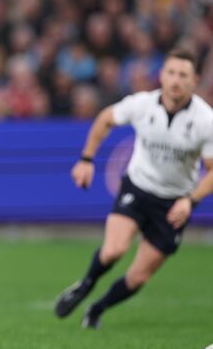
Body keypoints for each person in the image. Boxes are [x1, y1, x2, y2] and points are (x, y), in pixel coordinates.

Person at [54, 49, 213, 329]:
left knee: (139, 277)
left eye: (183, 75)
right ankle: (85, 285)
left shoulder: (205, 120)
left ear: (195, 80)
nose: (176, 80)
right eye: (171, 73)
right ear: (162, 75)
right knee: (113, 251)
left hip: (174, 203)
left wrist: (191, 200)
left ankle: (96, 309)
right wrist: (87, 159)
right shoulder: (143, 104)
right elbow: (105, 118)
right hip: (138, 188)